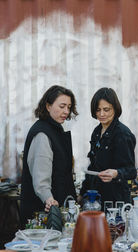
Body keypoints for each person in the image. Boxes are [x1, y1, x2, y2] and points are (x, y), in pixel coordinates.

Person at [20, 85, 78, 226]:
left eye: (69, 107)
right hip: (42, 212)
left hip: (56, 206)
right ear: (48, 106)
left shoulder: (55, 129)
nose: (66, 111)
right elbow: (41, 180)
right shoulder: (42, 134)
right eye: (62, 106)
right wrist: (49, 200)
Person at [79, 87, 137, 207]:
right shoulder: (96, 131)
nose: (102, 114)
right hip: (96, 197)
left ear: (115, 109)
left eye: (106, 110)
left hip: (116, 198)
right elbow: (93, 167)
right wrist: (81, 193)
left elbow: (131, 171)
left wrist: (116, 173)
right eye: (98, 110)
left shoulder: (122, 134)